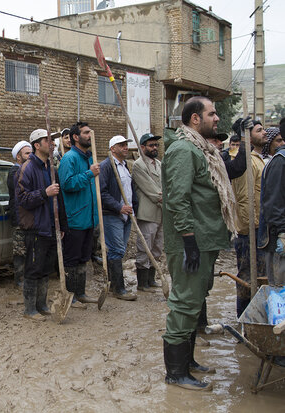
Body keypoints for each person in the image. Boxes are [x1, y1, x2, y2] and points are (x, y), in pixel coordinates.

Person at [161, 96, 237, 391]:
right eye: (212, 114)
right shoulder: (183, 150)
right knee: (184, 304)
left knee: (195, 302)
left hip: (205, 239)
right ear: (195, 119)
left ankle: (188, 362)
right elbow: (177, 200)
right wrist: (189, 241)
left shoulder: (201, 149)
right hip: (189, 242)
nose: (216, 119)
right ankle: (175, 373)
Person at [16, 129, 67, 321]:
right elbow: (22, 199)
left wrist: (62, 225)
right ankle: (30, 309)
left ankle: (42, 304)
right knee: (33, 268)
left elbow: (59, 199)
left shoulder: (51, 168)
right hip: (35, 226)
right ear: (37, 145)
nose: (52, 143)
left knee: (46, 268)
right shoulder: (27, 169)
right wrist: (44, 193)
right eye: (48, 140)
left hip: (50, 226)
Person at [58, 122, 100, 306]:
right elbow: (66, 184)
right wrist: (89, 174)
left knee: (84, 258)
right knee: (72, 260)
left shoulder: (90, 157)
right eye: (85, 133)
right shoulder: (70, 159)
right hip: (75, 218)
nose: (89, 136)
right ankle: (71, 295)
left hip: (89, 218)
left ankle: (81, 293)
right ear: (76, 137)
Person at [231, 119, 267, 317]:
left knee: (260, 276)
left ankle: (256, 316)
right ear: (248, 136)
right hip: (249, 231)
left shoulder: (259, 159)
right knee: (247, 278)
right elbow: (244, 198)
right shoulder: (245, 161)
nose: (263, 133)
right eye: (259, 130)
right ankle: (244, 319)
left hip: (260, 228)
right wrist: (250, 227)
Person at [98, 135, 138, 301]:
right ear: (113, 148)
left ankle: (113, 283)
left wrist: (132, 207)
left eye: (126, 145)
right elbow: (102, 192)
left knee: (118, 250)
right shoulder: (107, 166)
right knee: (116, 249)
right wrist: (118, 207)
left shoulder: (125, 166)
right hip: (112, 214)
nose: (125, 148)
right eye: (121, 145)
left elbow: (129, 189)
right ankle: (119, 289)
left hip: (127, 215)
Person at [132, 133, 163, 293]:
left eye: (156, 145)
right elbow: (151, 190)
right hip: (147, 213)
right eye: (151, 145)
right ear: (142, 147)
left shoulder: (158, 164)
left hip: (160, 213)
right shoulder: (139, 165)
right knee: (145, 247)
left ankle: (152, 279)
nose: (154, 148)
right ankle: (142, 283)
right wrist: (165, 198)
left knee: (157, 247)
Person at [259, 119, 285, 286]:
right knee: (280, 293)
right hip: (280, 239)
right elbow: (273, 202)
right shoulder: (280, 162)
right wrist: (282, 233)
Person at [8, 140, 32, 288]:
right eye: (27, 153)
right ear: (18, 157)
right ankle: (20, 280)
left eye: (31, 153)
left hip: (27, 217)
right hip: (19, 217)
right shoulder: (14, 172)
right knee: (20, 250)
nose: (30, 156)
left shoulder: (26, 170)